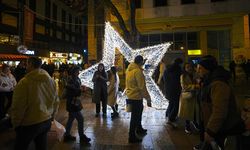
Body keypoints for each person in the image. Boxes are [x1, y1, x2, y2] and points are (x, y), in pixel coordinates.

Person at [194, 55, 245, 150]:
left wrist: (210, 131)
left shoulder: (218, 84)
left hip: (221, 128)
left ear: (208, 68)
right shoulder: (208, 80)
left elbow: (220, 111)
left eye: (200, 68)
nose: (197, 71)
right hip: (214, 126)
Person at [11, 57, 59, 150]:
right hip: (46, 120)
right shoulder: (51, 81)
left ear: (31, 64)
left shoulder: (24, 82)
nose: (26, 66)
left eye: (27, 64)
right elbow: (56, 101)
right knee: (41, 146)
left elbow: (18, 106)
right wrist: (52, 116)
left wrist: (16, 123)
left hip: (30, 123)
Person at [125, 55, 152, 143]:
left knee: (137, 114)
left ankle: (139, 128)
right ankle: (131, 136)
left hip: (131, 96)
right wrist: (148, 98)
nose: (143, 63)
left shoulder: (129, 70)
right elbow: (142, 87)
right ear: (140, 62)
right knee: (135, 117)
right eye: (143, 61)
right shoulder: (137, 71)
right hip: (136, 97)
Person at [63, 66, 91, 144]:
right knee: (80, 119)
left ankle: (67, 135)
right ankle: (81, 136)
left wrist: (81, 88)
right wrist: (81, 90)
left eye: (79, 71)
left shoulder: (77, 79)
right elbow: (71, 90)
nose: (78, 72)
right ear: (73, 72)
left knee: (71, 119)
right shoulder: (70, 80)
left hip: (75, 102)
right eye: (77, 71)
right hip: (72, 103)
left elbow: (77, 88)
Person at [178, 62, 200, 134]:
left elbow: (199, 82)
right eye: (187, 67)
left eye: (190, 66)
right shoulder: (183, 76)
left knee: (194, 111)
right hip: (187, 96)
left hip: (195, 96)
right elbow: (184, 86)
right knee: (187, 112)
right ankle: (187, 126)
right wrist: (195, 86)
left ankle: (195, 122)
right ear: (184, 68)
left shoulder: (196, 74)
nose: (189, 68)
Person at [163, 58, 183, 127]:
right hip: (175, 89)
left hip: (168, 89)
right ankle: (171, 119)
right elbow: (179, 81)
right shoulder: (178, 70)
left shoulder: (167, 69)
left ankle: (167, 115)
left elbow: (164, 80)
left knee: (171, 102)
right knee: (176, 104)